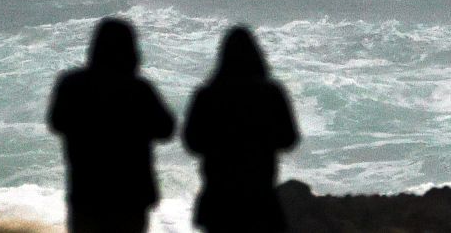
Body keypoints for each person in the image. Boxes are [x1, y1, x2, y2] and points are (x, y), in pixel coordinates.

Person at [48, 17, 176, 233]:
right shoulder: (139, 89)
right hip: (130, 196)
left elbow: (56, 123)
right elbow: (166, 129)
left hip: (86, 192)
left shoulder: (72, 85)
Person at [183, 26, 302, 232]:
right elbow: (289, 139)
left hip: (219, 199)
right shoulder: (271, 93)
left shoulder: (207, 95)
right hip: (260, 197)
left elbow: (192, 142)